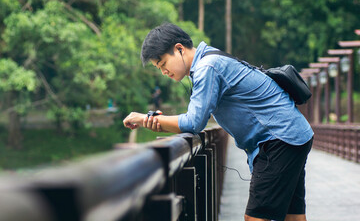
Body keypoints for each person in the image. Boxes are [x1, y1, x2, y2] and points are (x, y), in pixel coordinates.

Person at [123, 23, 314, 221]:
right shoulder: (210, 59)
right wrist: (160, 120)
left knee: (256, 218)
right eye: (159, 68)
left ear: (179, 48)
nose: (164, 72)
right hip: (291, 135)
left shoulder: (207, 67)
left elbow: (194, 122)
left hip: (279, 139)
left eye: (163, 64)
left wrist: (147, 120)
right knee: (293, 217)